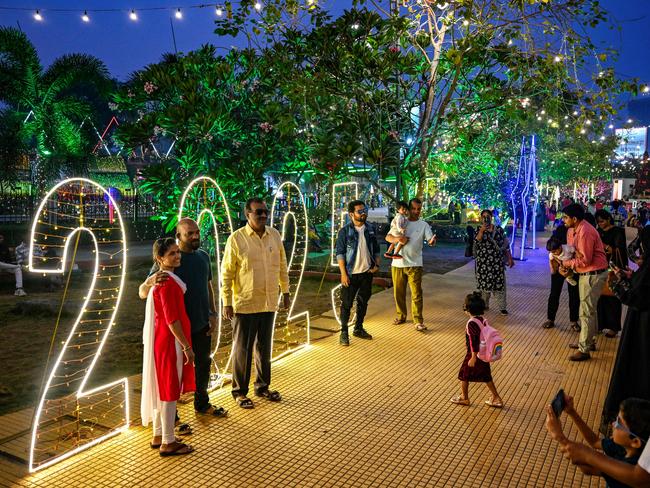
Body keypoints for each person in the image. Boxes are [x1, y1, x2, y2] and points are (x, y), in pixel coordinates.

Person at [139, 218, 227, 418]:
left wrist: (212, 313)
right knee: (174, 370)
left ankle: (202, 403)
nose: (196, 236)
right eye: (190, 234)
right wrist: (149, 281)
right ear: (178, 237)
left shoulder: (203, 257)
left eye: (197, 232)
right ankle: (172, 416)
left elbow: (208, 287)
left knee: (203, 364)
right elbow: (143, 292)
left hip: (201, 323)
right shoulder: (171, 260)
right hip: (177, 330)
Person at [221, 197, 290, 408]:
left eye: (264, 212)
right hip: (245, 304)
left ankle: (262, 386)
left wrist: (285, 291)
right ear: (247, 214)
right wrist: (227, 301)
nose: (262, 215)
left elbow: (281, 264)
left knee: (264, 348)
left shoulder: (274, 235)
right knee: (242, 350)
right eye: (258, 212)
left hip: (268, 302)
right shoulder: (237, 239)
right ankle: (239, 392)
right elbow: (227, 273)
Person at [141, 238, 196, 456]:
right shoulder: (167, 283)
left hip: (161, 340)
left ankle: (158, 434)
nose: (177, 256)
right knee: (169, 390)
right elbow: (172, 320)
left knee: (162, 386)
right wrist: (185, 347)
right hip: (170, 342)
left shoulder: (161, 281)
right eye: (172, 253)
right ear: (159, 258)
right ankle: (168, 441)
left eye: (177, 252)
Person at [602, 227, 650, 429]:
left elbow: (635, 297)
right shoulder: (647, 268)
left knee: (637, 369)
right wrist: (631, 277)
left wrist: (618, 283)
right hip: (641, 326)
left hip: (643, 331)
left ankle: (633, 426)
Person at [545, 395, 650, 488]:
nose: (613, 423)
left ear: (635, 442)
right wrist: (572, 412)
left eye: (619, 423)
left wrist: (559, 437)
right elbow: (594, 442)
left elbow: (588, 468)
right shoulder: (623, 447)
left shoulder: (629, 472)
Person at [560, 203, 608, 361]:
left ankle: (584, 349)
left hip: (593, 274)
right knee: (589, 310)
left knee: (586, 312)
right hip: (586, 273)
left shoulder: (586, 231)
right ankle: (589, 342)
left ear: (575, 218)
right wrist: (565, 266)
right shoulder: (572, 230)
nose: (563, 220)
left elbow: (585, 260)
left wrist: (567, 264)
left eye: (565, 217)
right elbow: (572, 253)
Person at [386, 198, 436, 331]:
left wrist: (432, 242)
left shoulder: (423, 225)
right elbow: (388, 237)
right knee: (398, 293)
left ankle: (418, 320)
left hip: (415, 263)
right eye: (413, 208)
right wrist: (398, 238)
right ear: (408, 208)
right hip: (397, 263)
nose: (416, 211)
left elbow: (430, 239)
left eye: (418, 209)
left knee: (416, 293)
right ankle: (401, 315)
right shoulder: (401, 221)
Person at [335, 199, 380, 345]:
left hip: (367, 273)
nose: (363, 213)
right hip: (350, 274)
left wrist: (377, 265)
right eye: (360, 211)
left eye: (364, 210)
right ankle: (343, 333)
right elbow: (340, 253)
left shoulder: (370, 229)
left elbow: (377, 248)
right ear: (351, 214)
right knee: (346, 304)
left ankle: (358, 328)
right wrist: (343, 273)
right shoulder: (345, 231)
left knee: (363, 302)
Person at [451, 292, 503, 408]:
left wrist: (473, 357)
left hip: (474, 354)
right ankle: (496, 397)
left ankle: (465, 398)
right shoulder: (482, 319)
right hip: (483, 353)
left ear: (467, 309)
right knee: (486, 376)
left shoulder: (471, 323)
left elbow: (473, 341)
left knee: (464, 375)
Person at [473, 209, 514, 315]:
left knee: (499, 285)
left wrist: (509, 258)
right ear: (481, 218)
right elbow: (476, 242)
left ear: (491, 217)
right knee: (484, 287)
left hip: (497, 263)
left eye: (488, 216)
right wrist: (482, 231)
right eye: (484, 216)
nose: (486, 218)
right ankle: (484, 305)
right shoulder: (478, 229)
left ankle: (502, 307)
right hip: (483, 264)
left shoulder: (499, 230)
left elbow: (505, 245)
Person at [595, 209, 628, 338]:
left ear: (608, 219)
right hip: (600, 267)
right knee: (600, 297)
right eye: (598, 222)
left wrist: (606, 246)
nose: (600, 224)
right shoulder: (598, 232)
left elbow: (620, 250)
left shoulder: (618, 231)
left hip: (613, 268)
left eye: (602, 221)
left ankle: (613, 327)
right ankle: (600, 325)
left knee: (613, 297)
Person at [543, 236, 580, 329]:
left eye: (554, 251)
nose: (553, 253)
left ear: (560, 247)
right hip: (558, 270)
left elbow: (576, 253)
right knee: (554, 294)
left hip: (572, 270)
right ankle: (550, 319)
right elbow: (553, 270)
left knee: (574, 295)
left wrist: (570, 268)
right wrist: (558, 270)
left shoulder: (568, 248)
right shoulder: (552, 254)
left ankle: (574, 321)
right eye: (551, 252)